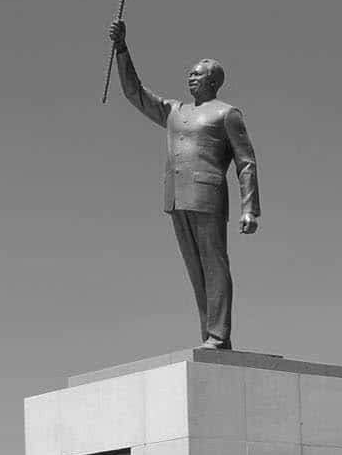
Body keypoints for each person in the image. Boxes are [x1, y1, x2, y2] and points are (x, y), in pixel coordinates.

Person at [108, 18, 260, 350]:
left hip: (208, 196)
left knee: (215, 266)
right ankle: (208, 335)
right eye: (189, 73)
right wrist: (122, 49)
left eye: (197, 74)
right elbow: (136, 93)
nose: (190, 77)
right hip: (176, 198)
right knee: (196, 271)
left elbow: (246, 161)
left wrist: (250, 209)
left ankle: (219, 335)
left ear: (213, 81)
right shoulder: (175, 111)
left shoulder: (226, 113)